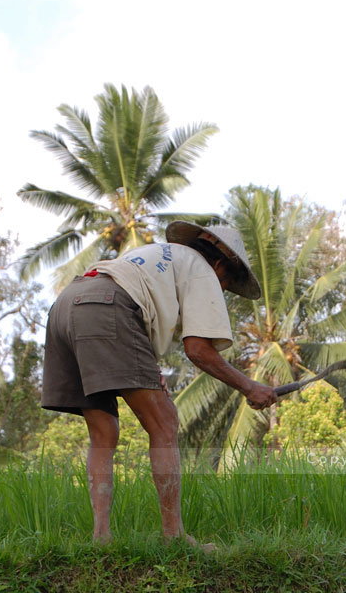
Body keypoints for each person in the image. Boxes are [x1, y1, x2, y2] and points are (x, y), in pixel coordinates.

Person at [41, 222, 277, 547]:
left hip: (65, 306)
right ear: (221, 265)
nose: (220, 291)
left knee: (104, 431)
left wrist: (152, 371)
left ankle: (101, 538)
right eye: (227, 284)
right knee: (165, 423)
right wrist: (249, 387)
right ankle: (174, 537)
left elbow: (132, 306)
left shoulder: (154, 254)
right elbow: (198, 350)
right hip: (108, 307)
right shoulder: (203, 269)